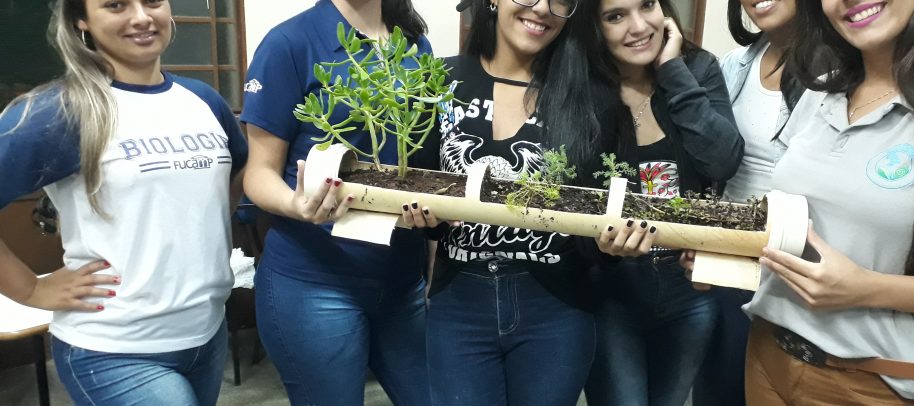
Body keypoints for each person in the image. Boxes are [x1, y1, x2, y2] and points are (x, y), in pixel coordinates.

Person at [722, 0, 914, 404]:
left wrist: (867, 289)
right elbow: (801, 225)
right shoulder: (822, 90)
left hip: (872, 383)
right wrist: (723, 252)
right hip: (767, 355)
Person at [402, 0, 657, 404]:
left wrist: (616, 244)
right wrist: (421, 217)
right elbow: (417, 183)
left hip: (556, 305)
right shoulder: (440, 80)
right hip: (459, 303)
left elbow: (616, 210)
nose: (541, 8)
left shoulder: (593, 99)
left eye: (560, 0)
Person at [0, 0, 247, 404]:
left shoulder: (203, 99)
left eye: (152, 1)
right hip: (113, 347)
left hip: (206, 333)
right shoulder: (60, 110)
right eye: (115, 5)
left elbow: (235, 177)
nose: (141, 17)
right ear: (81, 20)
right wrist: (30, 290)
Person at [239, 0, 432, 404]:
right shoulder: (290, 43)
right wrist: (296, 204)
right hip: (314, 281)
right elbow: (257, 173)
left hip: (402, 280)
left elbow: (421, 163)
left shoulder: (414, 44)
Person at [577, 0, 743, 404]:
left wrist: (672, 69)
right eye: (615, 16)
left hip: (690, 284)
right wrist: (601, 247)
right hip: (612, 287)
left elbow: (722, 161)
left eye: (647, 5)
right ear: (594, 27)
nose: (638, 26)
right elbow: (572, 198)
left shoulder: (697, 68)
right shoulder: (580, 84)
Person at [693, 1, 800, 405]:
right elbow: (710, 160)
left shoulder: (841, 72)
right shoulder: (734, 64)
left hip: (789, 268)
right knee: (716, 387)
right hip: (724, 261)